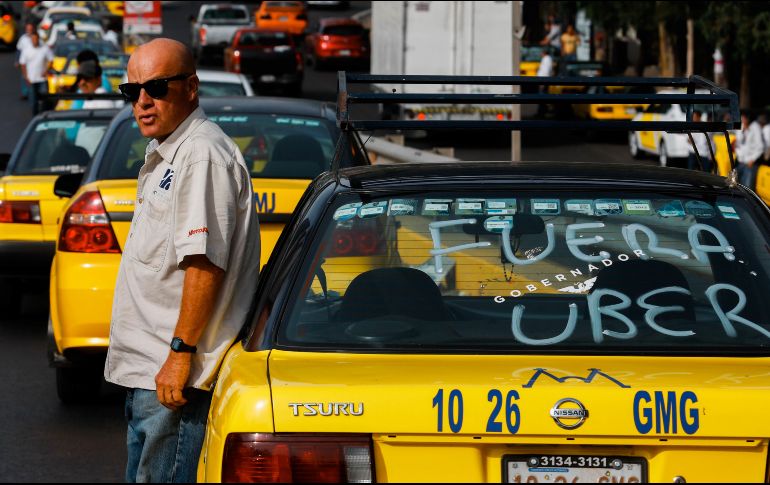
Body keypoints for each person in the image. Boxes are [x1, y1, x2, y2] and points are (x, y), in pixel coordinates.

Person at [105, 38, 260, 483]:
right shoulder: (170, 152)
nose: (142, 101)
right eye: (131, 91)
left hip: (173, 381)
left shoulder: (201, 155)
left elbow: (204, 264)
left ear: (191, 87)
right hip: (151, 375)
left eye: (156, 86)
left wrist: (179, 355)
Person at [19, 31, 53, 115]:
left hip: (42, 79)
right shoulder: (26, 50)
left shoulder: (44, 49)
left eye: (36, 39)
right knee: (33, 101)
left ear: (38, 39)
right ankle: (35, 116)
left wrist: (46, 71)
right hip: (32, 79)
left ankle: (45, 115)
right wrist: (25, 76)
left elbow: (51, 60)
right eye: (33, 39)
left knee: (45, 100)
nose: (34, 41)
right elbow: (22, 63)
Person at [734, 110, 764, 187]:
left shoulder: (755, 127)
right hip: (740, 161)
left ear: (748, 119)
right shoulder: (741, 127)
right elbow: (738, 143)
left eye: (743, 118)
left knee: (747, 186)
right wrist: (739, 155)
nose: (742, 120)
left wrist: (752, 159)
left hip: (750, 163)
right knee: (734, 184)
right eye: (741, 118)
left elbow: (760, 147)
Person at [15, 22, 35, 100]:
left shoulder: (37, 37)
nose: (29, 30)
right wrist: (17, 60)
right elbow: (19, 50)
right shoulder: (23, 38)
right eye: (27, 29)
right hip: (25, 62)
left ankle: (34, 92)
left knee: (34, 77)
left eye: (30, 29)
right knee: (24, 77)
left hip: (34, 61)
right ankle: (25, 93)